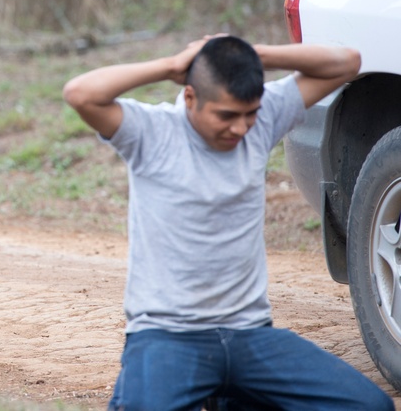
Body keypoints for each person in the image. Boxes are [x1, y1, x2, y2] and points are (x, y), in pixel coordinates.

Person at [62, 35, 393, 410]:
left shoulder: (262, 120)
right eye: (225, 116)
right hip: (169, 337)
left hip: (248, 336)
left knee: (368, 406)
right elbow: (80, 93)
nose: (239, 129)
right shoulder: (150, 133)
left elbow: (346, 62)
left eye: (248, 114)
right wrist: (171, 64)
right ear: (190, 98)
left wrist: (253, 54)